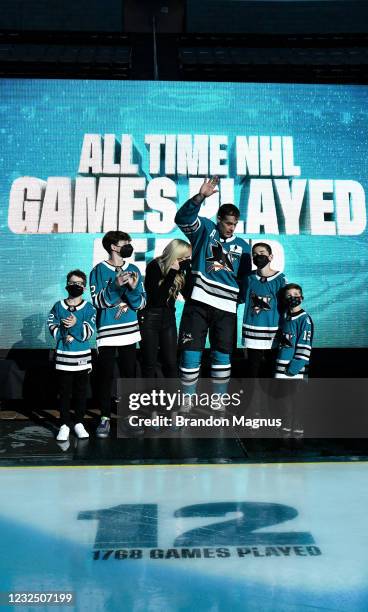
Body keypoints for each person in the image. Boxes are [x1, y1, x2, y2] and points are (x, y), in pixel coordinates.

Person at [175, 177, 251, 397]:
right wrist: (200, 197)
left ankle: (218, 403)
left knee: (223, 355)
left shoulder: (244, 247)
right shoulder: (205, 230)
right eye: (228, 223)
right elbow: (181, 218)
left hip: (226, 310)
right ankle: (186, 402)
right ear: (219, 219)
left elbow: (245, 281)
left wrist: (234, 300)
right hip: (198, 304)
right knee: (190, 354)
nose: (231, 227)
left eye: (235, 224)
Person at [90, 231, 146, 438]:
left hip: (130, 333)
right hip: (107, 333)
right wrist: (115, 286)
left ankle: (128, 417)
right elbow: (98, 302)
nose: (129, 246)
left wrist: (131, 288)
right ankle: (104, 417)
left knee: (129, 376)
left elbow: (141, 303)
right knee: (105, 377)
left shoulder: (134, 269)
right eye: (126, 243)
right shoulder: (98, 270)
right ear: (113, 247)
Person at [47, 270, 96, 442]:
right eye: (72, 283)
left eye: (79, 284)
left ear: (84, 287)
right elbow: (51, 325)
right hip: (64, 357)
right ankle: (64, 425)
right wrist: (62, 332)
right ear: (66, 284)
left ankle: (79, 423)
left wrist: (74, 327)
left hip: (81, 357)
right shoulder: (58, 305)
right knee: (65, 392)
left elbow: (87, 333)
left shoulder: (89, 308)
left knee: (81, 392)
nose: (75, 286)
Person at [140, 239, 192, 379]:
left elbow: (188, 295)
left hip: (168, 318)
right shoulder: (155, 266)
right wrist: (172, 273)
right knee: (149, 363)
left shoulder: (181, 271)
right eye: (185, 258)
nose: (187, 260)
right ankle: (148, 398)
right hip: (150, 318)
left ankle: (172, 397)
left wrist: (188, 271)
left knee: (171, 362)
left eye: (189, 258)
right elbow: (157, 299)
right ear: (176, 256)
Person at [242, 242, 286, 377]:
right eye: (254, 254)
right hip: (252, 334)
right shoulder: (248, 278)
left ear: (271, 257)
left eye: (262, 253)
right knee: (251, 372)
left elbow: (285, 307)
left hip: (273, 333)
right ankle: (250, 398)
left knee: (271, 372)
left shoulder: (281, 279)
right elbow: (243, 298)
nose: (258, 257)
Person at [275, 283, 314, 379]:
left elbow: (305, 347)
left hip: (293, 370)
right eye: (289, 295)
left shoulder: (305, 319)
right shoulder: (284, 316)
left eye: (296, 295)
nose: (292, 297)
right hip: (280, 364)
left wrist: (293, 368)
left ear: (301, 298)